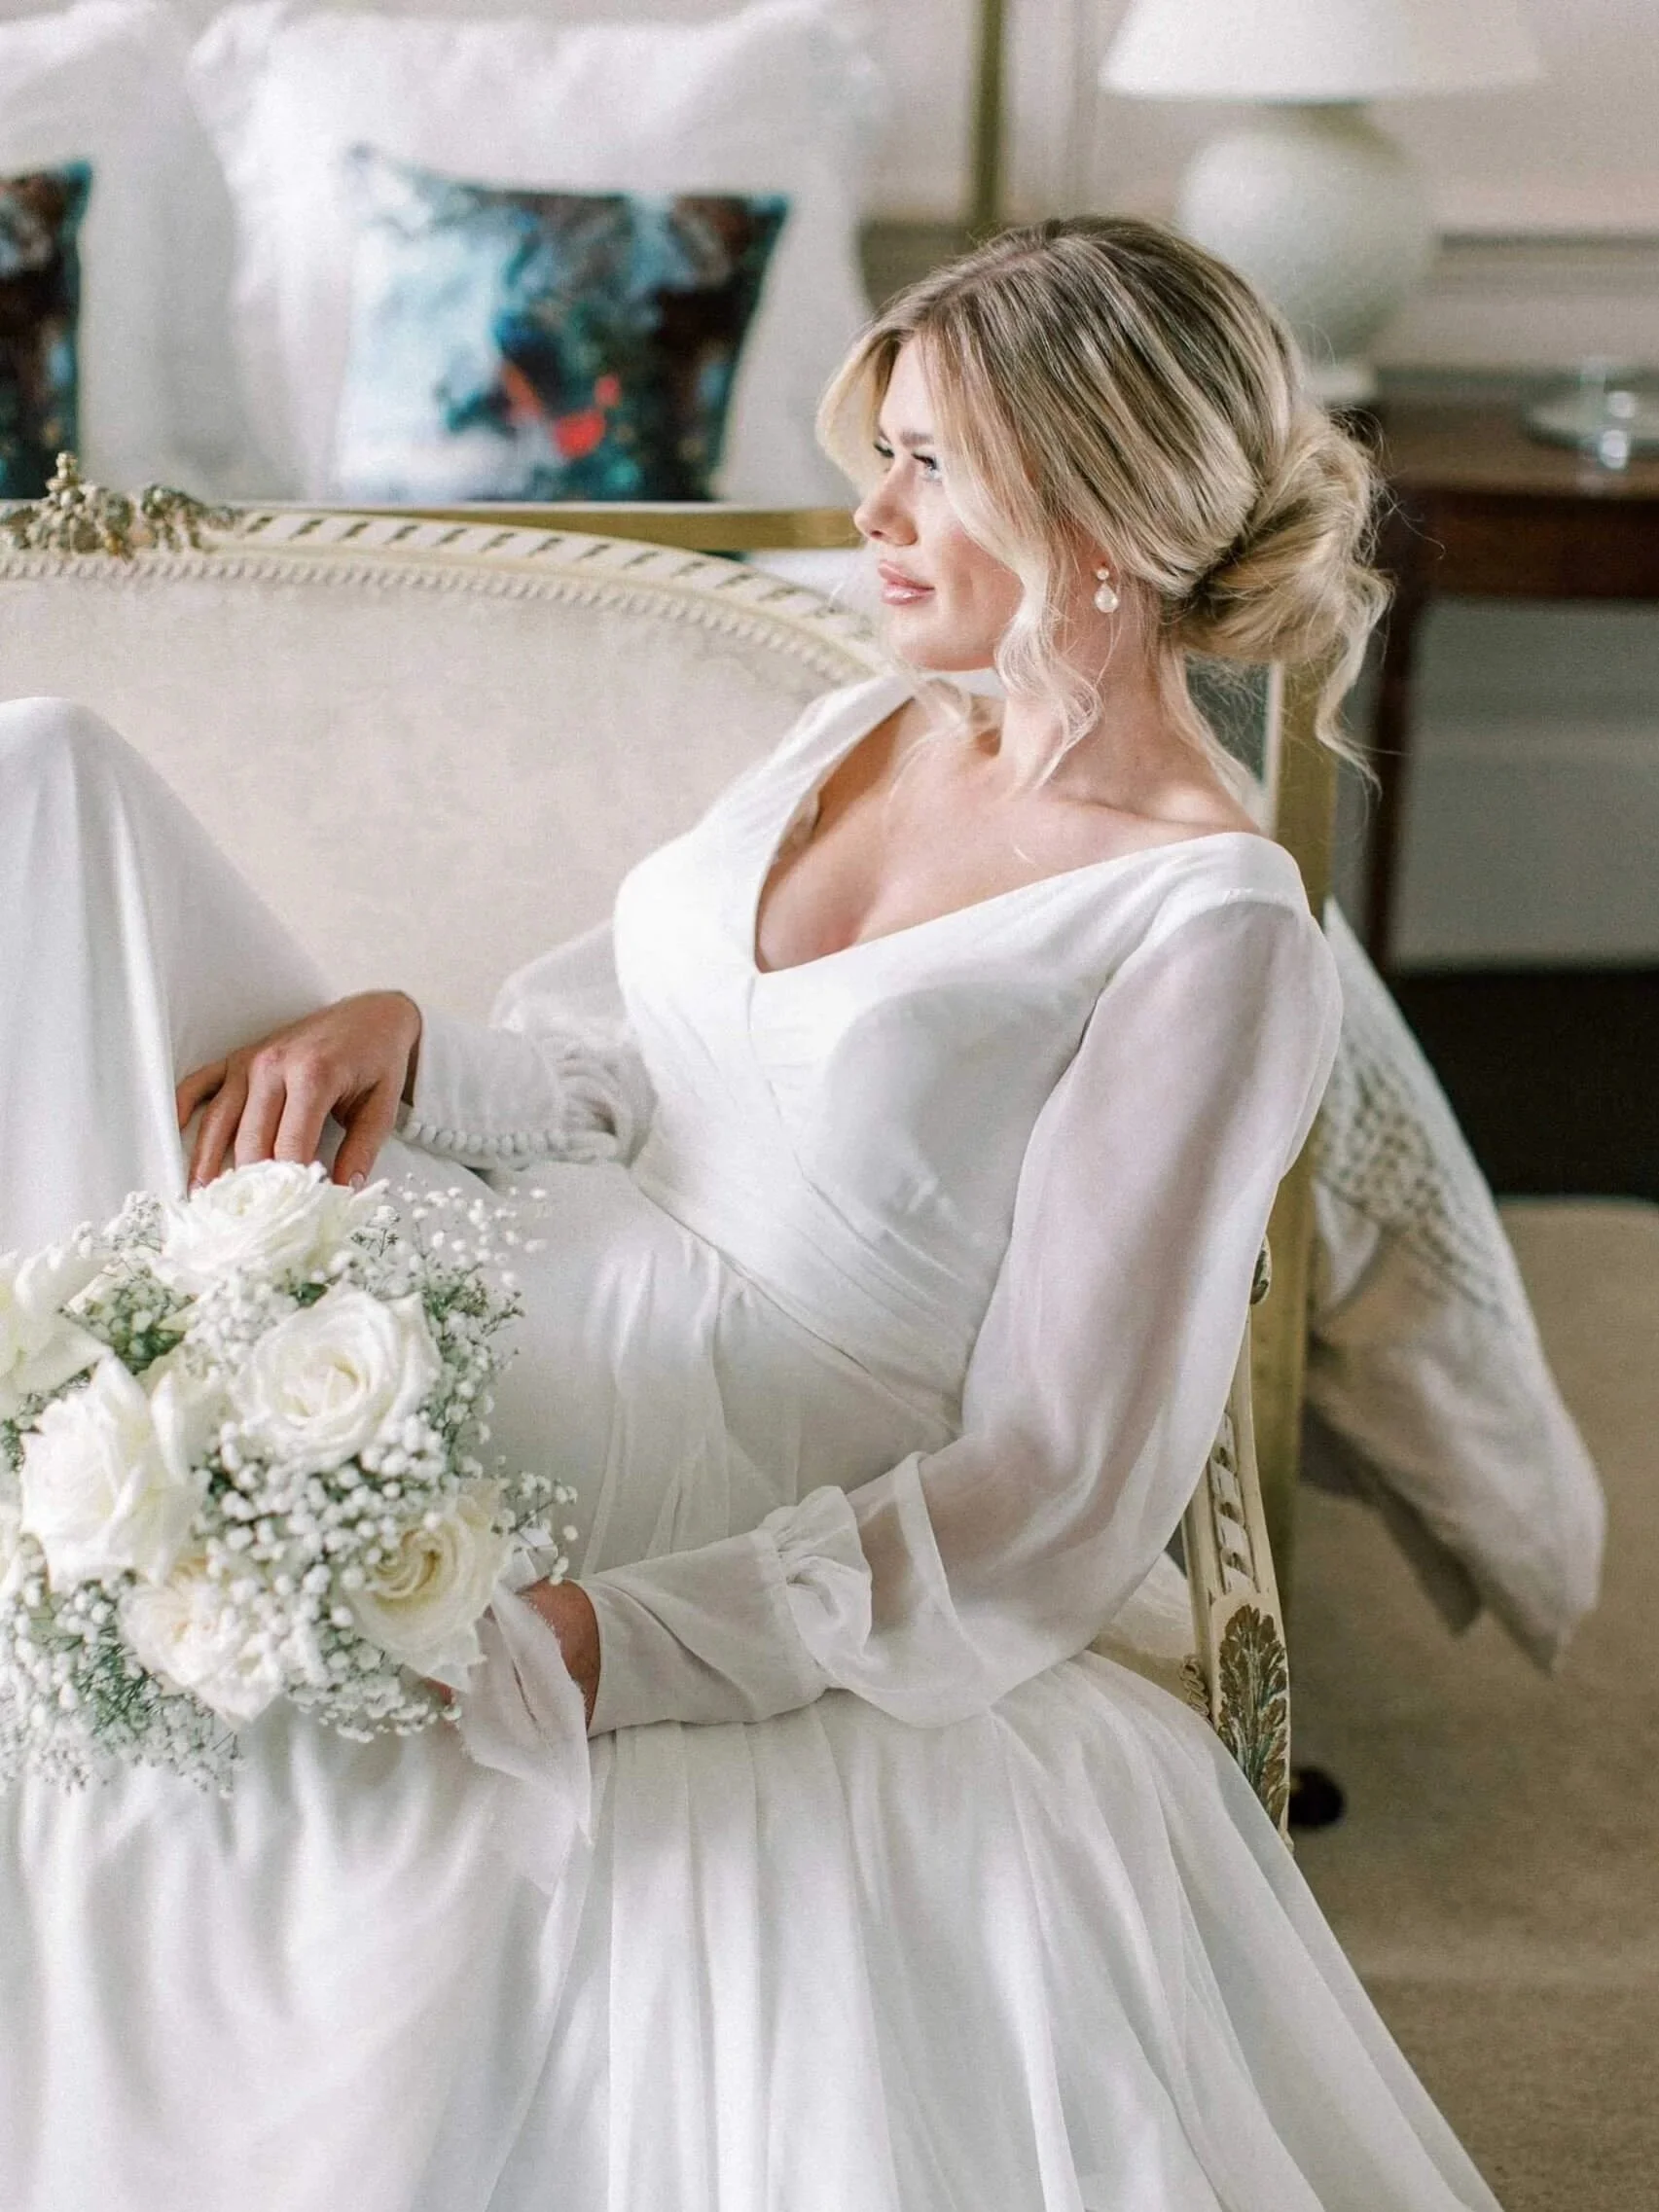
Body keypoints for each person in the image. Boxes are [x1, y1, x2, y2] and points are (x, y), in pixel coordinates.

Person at [0, 218, 1501, 2212]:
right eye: (881, 449)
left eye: (930, 464)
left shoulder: (1207, 931)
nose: (867, 512)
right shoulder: (873, 721)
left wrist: (617, 1645)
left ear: (1108, 505)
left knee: (155, 1420)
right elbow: (641, 1070)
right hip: (530, 1249)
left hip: (723, 1429)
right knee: (51, 790)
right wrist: (413, 1047)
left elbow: (1057, 1484)